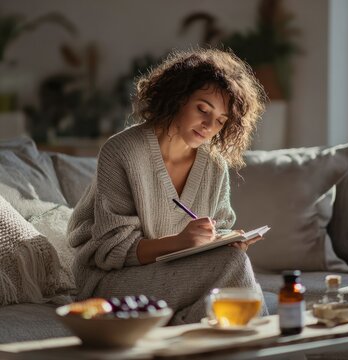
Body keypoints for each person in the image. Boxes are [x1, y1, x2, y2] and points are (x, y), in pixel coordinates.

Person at [67, 48, 267, 324]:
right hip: (108, 278)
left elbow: (217, 227)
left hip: (172, 271)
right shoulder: (122, 152)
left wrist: (225, 241)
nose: (209, 125)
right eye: (202, 109)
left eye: (221, 121)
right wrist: (180, 242)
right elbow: (109, 250)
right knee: (232, 270)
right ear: (179, 98)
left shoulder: (213, 164)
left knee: (220, 292)